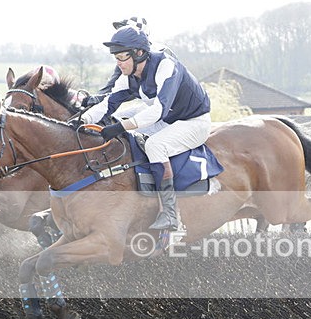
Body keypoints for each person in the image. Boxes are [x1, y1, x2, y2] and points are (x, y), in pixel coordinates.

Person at [77, 24, 211, 230]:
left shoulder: (166, 66)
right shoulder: (127, 77)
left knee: (155, 146)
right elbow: (107, 105)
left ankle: (170, 214)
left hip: (194, 122)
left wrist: (122, 127)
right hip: (167, 120)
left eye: (122, 57)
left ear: (139, 53)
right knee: (115, 120)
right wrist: (82, 121)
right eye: (116, 58)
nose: (118, 63)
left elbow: (158, 111)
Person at [81, 16, 177, 109]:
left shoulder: (160, 54)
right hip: (153, 105)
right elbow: (112, 85)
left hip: (170, 108)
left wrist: (100, 98)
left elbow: (132, 90)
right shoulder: (127, 57)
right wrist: (97, 97)